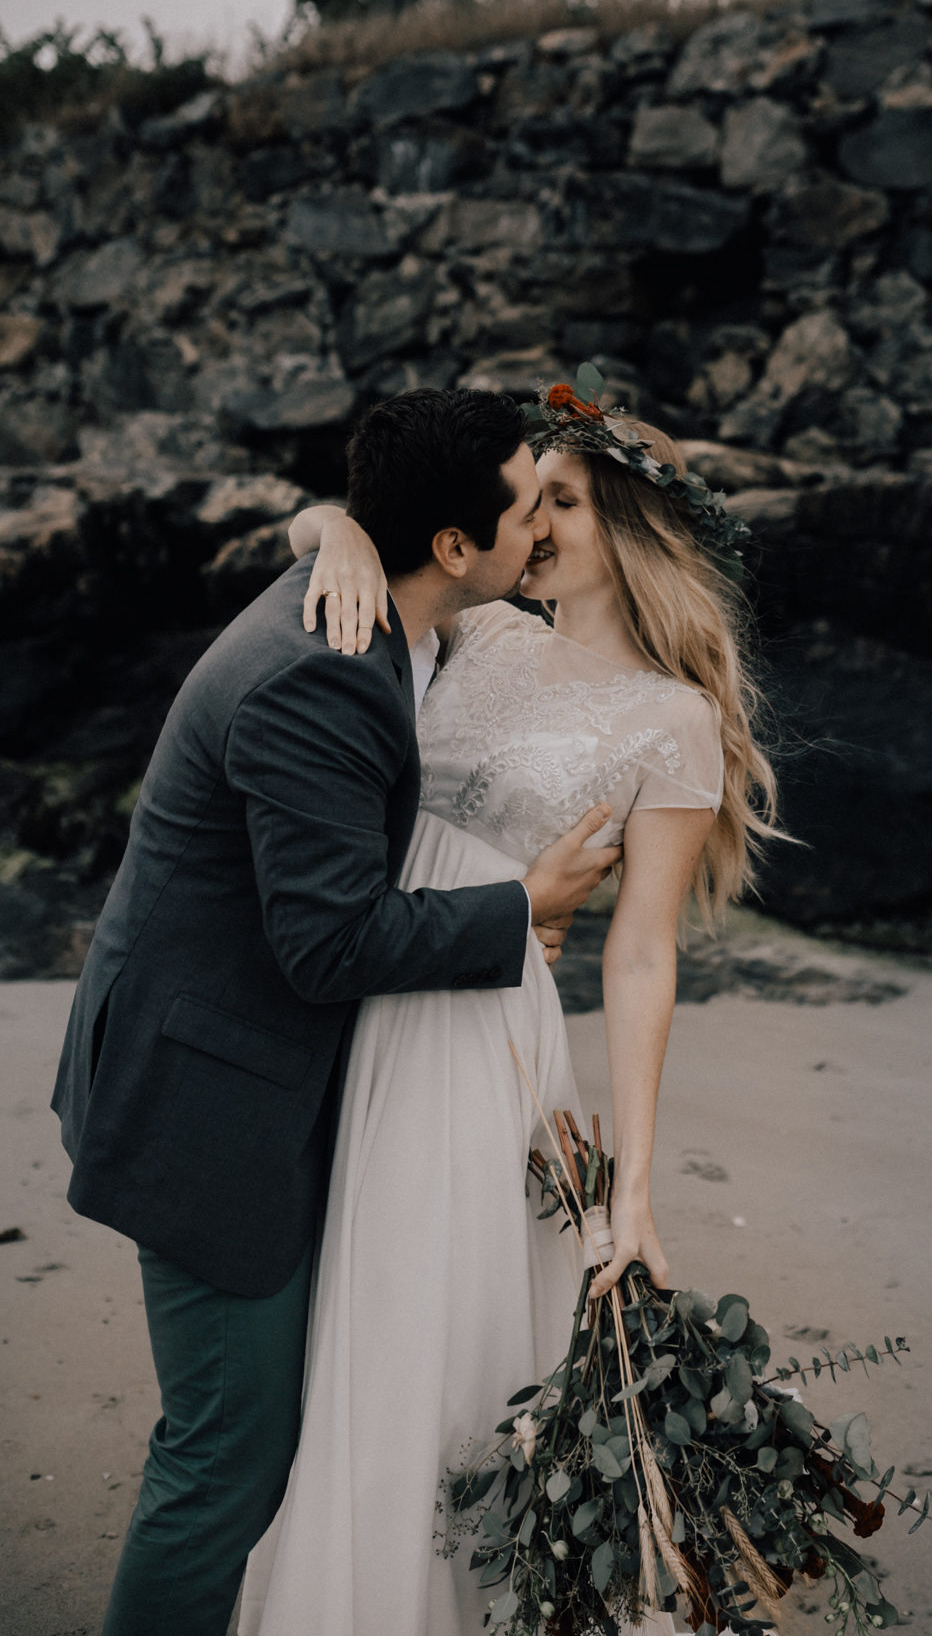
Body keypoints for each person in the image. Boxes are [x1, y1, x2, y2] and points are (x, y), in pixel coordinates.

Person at [52, 387, 622, 1636]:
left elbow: (346, 535)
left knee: (259, 1430)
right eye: (527, 507)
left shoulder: (382, 601)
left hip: (240, 1063)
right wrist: (521, 906)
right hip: (199, 1103)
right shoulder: (326, 676)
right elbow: (327, 942)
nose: (545, 525)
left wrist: (332, 523)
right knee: (225, 1455)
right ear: (455, 549)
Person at [238, 380, 781, 1636]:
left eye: (564, 500)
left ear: (633, 529)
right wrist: (341, 532)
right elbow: (324, 537)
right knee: (343, 1341)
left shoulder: (674, 719)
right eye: (529, 497)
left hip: (480, 1041)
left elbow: (640, 956)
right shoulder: (470, 631)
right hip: (360, 1000)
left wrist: (633, 1188)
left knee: (427, 1343)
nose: (532, 516)